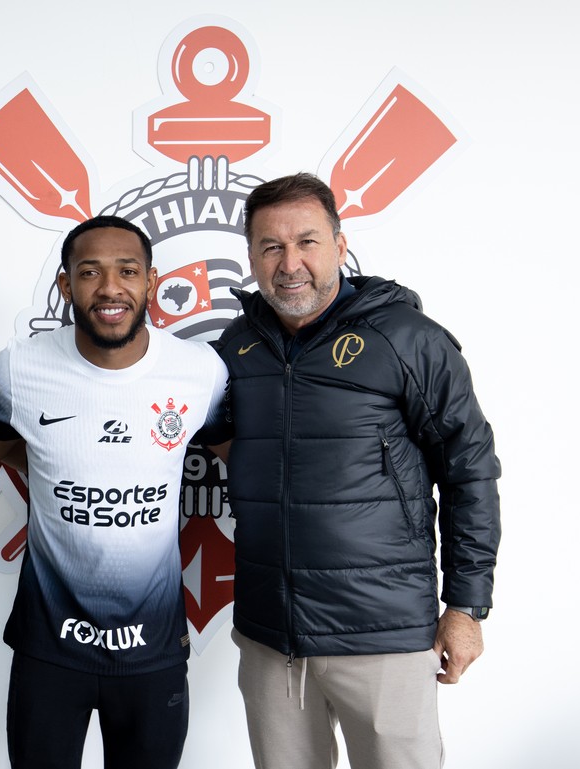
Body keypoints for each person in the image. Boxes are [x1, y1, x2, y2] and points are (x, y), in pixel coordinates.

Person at [214, 173, 501, 769]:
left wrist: (467, 607)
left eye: (307, 242)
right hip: (272, 637)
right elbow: (216, 439)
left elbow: (469, 467)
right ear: (251, 257)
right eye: (271, 246)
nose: (290, 263)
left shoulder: (406, 338)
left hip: (382, 634)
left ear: (341, 247)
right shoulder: (234, 347)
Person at [0, 215, 229, 769]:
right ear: (65, 285)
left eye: (127, 271)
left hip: (153, 647)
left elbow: (249, 467)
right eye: (90, 272)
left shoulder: (199, 372)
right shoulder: (20, 368)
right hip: (49, 645)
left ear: (152, 281)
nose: (110, 288)